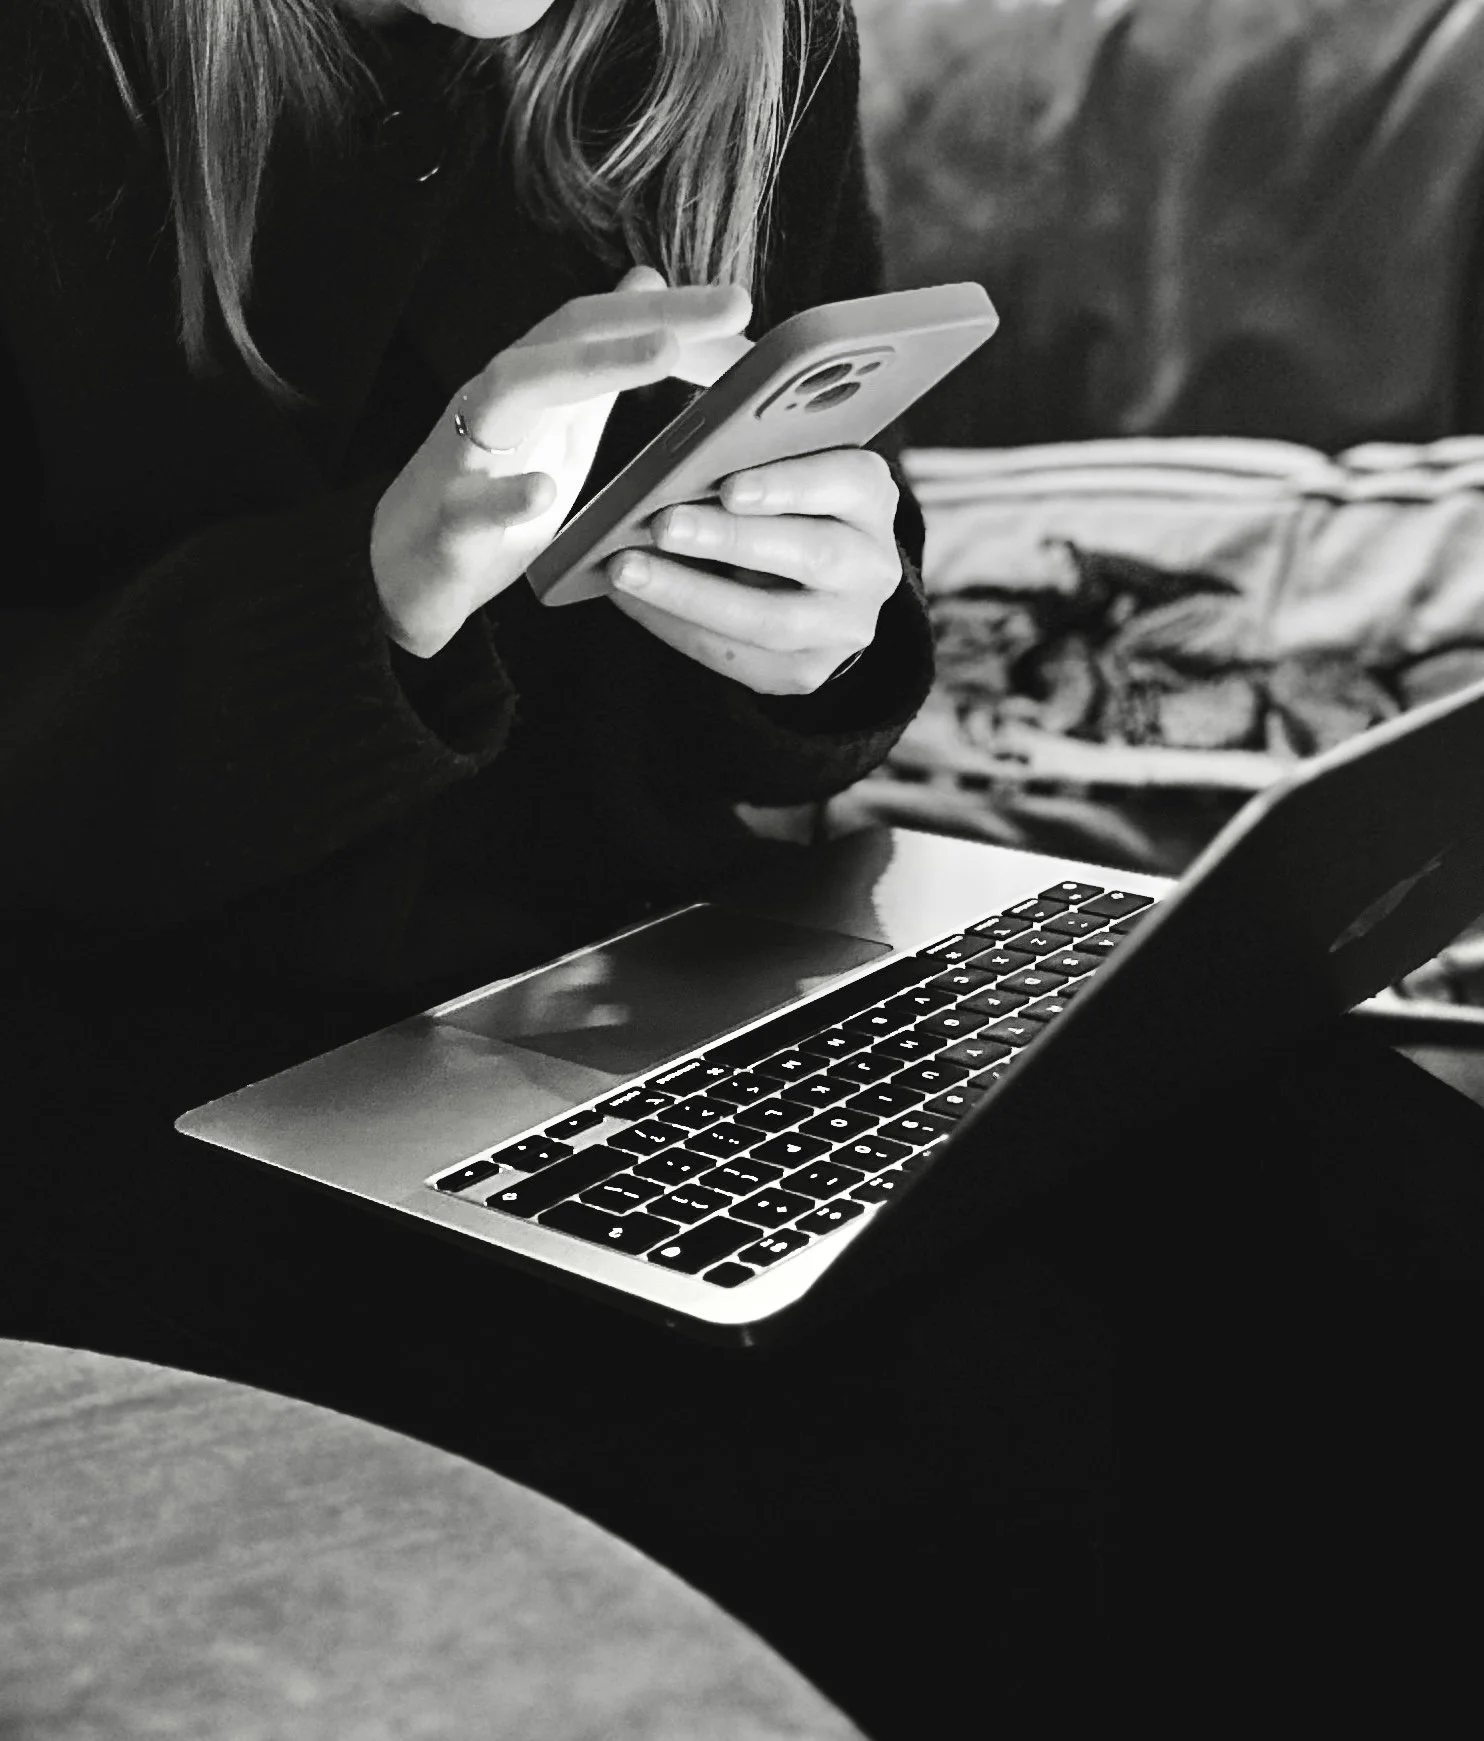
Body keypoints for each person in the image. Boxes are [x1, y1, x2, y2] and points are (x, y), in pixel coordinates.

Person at [0, 3, 1120, 1732]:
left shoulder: (744, 35)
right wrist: (370, 601)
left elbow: (784, 637)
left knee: (1279, 1231)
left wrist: (825, 638)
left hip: (648, 1004)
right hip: (149, 1097)